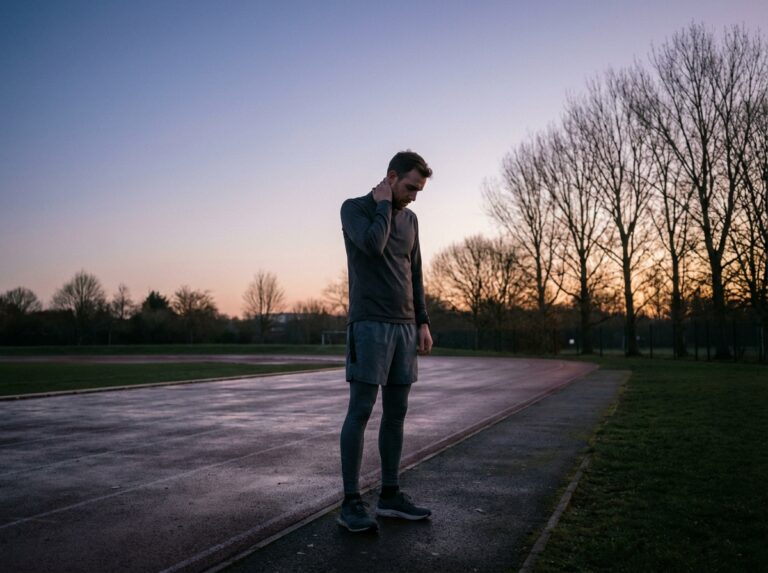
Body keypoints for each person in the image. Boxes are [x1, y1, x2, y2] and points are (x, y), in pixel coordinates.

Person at [337, 150, 434, 532]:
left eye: (420, 190)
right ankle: (350, 503)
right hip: (368, 324)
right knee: (360, 410)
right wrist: (381, 206)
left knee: (396, 413)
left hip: (405, 327)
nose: (413, 196)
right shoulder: (354, 209)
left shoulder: (411, 219)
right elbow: (374, 246)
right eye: (410, 187)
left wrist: (422, 321)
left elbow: (416, 273)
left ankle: (390, 496)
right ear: (391, 176)